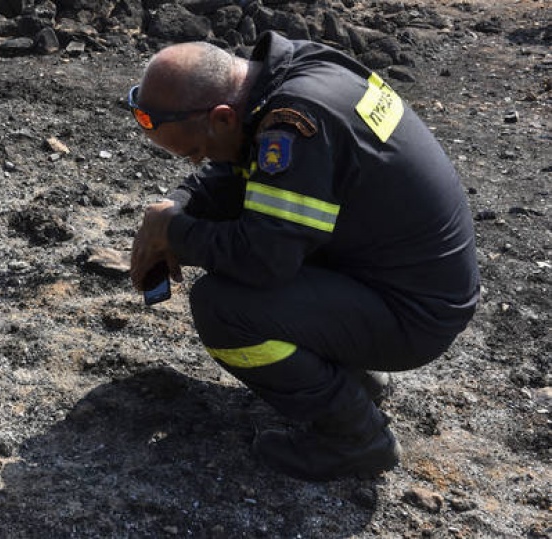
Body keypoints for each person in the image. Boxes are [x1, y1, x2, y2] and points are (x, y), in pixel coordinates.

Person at [127, 31, 480, 481]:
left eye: (194, 152)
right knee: (262, 219)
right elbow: (236, 171)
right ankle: (351, 379)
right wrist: (174, 209)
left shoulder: (296, 123)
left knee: (222, 309)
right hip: (405, 284)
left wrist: (176, 233)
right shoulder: (291, 71)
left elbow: (264, 261)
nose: (197, 163)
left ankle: (354, 437)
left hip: (414, 318)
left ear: (222, 116)